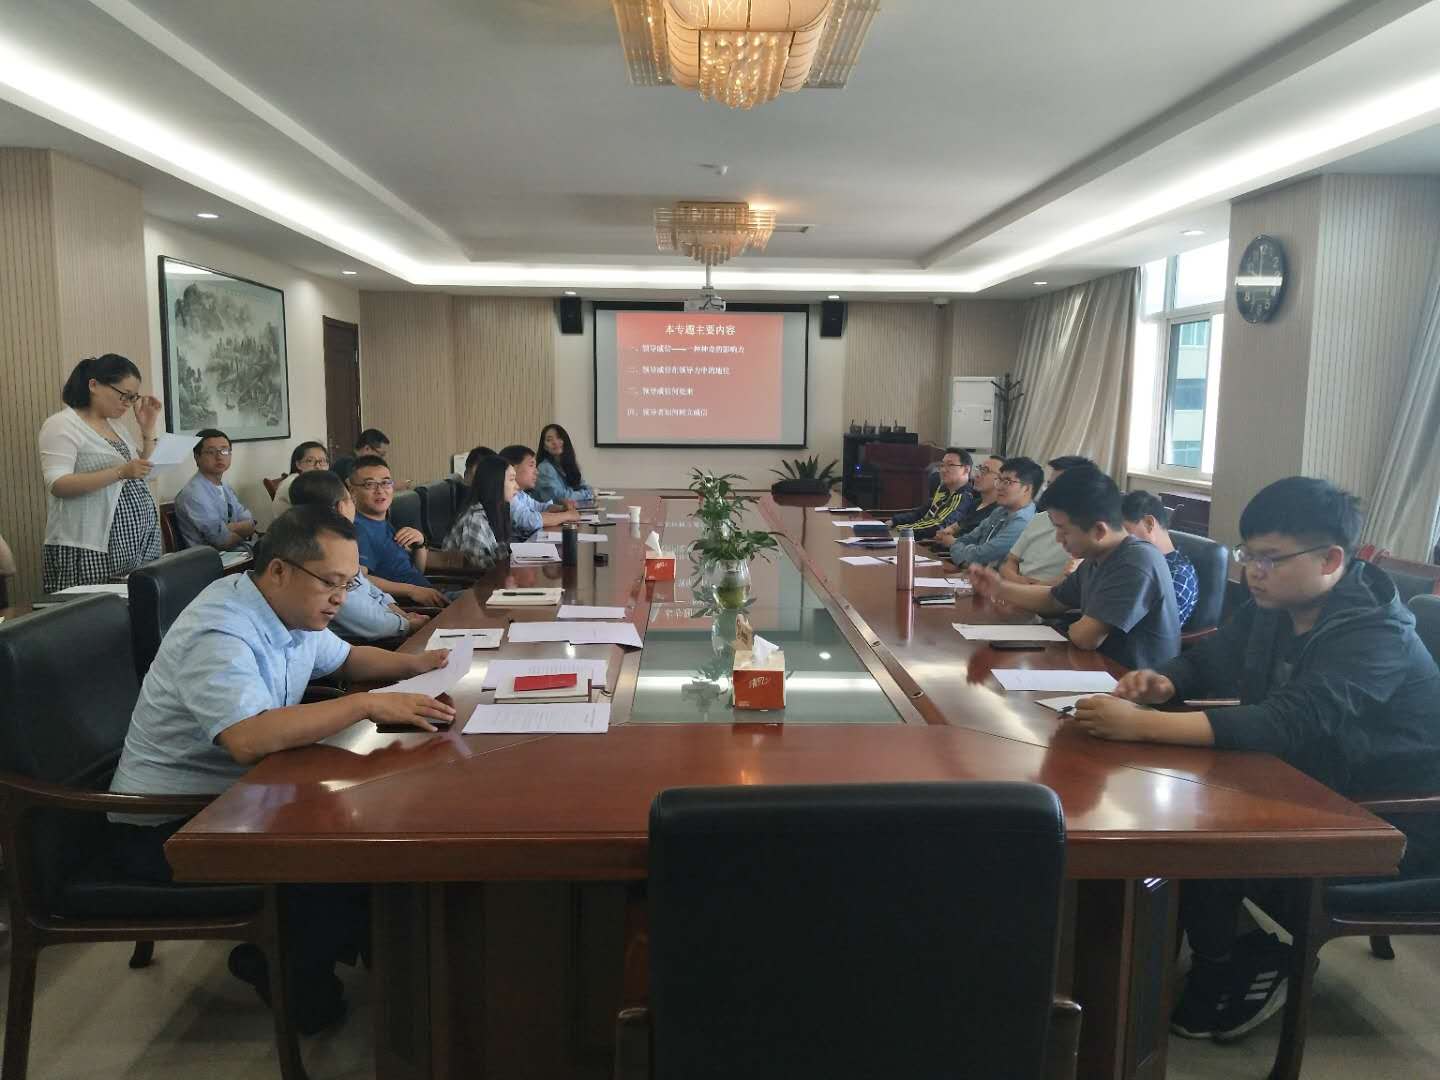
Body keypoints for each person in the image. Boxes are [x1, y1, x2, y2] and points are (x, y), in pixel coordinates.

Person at [1070, 477, 1440, 1042]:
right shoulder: (1276, 605)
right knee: (1167, 798)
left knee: (1188, 822)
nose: (1253, 572)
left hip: (1387, 819)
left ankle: (1233, 961)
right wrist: (1164, 682)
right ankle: (1185, 955)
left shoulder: (1377, 634)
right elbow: (1211, 659)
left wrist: (1143, 724)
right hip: (1305, 779)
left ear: (1330, 559)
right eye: (1248, 555)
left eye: (1269, 558)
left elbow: (1288, 722)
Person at [108, 506, 455, 1033]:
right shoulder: (221, 629)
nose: (341, 598)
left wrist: (419, 664)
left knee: (375, 820)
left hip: (238, 796)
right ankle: (285, 966)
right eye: (331, 583)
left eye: (349, 583)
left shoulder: (289, 607)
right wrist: (364, 704)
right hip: (168, 826)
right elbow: (248, 739)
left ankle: (380, 961)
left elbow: (345, 659)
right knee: (348, 846)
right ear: (279, 570)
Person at [969, 467, 1180, 671]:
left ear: (1099, 530)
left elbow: (1086, 638)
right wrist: (999, 588)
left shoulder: (1135, 562)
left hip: (1127, 680)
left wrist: (1072, 624)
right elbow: (1054, 600)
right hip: (1092, 667)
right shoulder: (1098, 556)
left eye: (1063, 530)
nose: (1058, 539)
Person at [39, 355, 164, 592]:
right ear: (94, 385)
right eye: (124, 395)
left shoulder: (116, 426)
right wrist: (121, 471)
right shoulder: (62, 424)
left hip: (136, 543)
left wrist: (148, 430)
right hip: (90, 544)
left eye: (133, 397)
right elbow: (58, 484)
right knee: (96, 611)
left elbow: (144, 471)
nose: (127, 403)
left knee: (140, 606)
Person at [288, 470, 427, 639]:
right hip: (372, 642)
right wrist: (406, 624)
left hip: (391, 623)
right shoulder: (324, 555)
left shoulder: (340, 541)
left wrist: (400, 614)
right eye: (351, 500)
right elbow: (364, 618)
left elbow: (366, 585)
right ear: (341, 507)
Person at [347, 456, 448, 607]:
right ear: (352, 491)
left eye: (386, 482)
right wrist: (412, 591)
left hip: (430, 598)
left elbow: (415, 572)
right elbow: (359, 580)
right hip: (412, 609)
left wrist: (420, 544)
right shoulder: (359, 529)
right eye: (369, 484)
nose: (380, 490)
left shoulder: (383, 522)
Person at [998, 455, 1096, 586]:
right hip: (1016, 587)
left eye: (1057, 486)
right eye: (1049, 485)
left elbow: (1067, 582)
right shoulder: (1040, 518)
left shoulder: (1087, 531)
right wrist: (1018, 582)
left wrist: (1028, 590)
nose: (1049, 492)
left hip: (1047, 594)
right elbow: (1009, 561)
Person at [947, 456, 1043, 569]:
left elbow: (982, 556)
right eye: (999, 480)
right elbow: (966, 539)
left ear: (1026, 489)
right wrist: (962, 553)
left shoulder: (1023, 521)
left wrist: (961, 553)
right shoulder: (1000, 511)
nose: (999, 487)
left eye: (1007, 482)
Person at [1121, 490, 1199, 627]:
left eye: (1125, 531)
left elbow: (1158, 631)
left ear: (1149, 523)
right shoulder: (1137, 560)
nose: (1120, 541)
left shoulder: (1178, 575)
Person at [174, 429, 256, 551]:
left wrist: (230, 528)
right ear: (197, 457)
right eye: (211, 452)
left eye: (224, 450)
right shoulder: (193, 494)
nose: (219, 457)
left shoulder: (225, 487)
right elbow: (222, 541)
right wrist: (241, 533)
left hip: (237, 553)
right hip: (210, 559)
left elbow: (250, 524)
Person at [444, 455, 516, 570]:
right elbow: (479, 570)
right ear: (495, 483)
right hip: (470, 580)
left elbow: (498, 554)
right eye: (512, 480)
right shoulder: (474, 520)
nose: (516, 486)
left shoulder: (495, 511)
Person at [890, 448, 975, 540]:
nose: (943, 470)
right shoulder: (944, 489)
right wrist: (894, 521)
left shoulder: (964, 497)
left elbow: (938, 525)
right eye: (942, 465)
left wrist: (901, 530)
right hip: (911, 535)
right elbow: (920, 513)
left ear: (966, 469)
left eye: (950, 465)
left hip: (925, 542)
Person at [499, 444, 580, 539]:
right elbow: (529, 520)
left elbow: (538, 507)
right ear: (512, 468)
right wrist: (567, 515)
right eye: (531, 465)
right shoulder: (506, 495)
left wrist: (562, 508)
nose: (536, 472)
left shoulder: (520, 494)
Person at [933, 454, 1003, 546]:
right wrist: (944, 533)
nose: (977, 475)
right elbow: (956, 526)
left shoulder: (998, 511)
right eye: (979, 468)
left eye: (985, 470)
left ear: (1001, 479)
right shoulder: (975, 503)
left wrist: (952, 541)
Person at [534, 424, 594, 508]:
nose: (555, 442)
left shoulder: (567, 464)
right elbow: (560, 498)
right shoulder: (544, 468)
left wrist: (586, 492)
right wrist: (586, 494)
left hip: (567, 510)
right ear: (544, 447)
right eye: (549, 440)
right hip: (550, 513)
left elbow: (583, 486)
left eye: (559, 437)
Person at [272, 441, 330, 512]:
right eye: (310, 461)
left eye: (322, 461)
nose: (318, 466)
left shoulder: (313, 482)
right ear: (298, 464)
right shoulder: (294, 484)